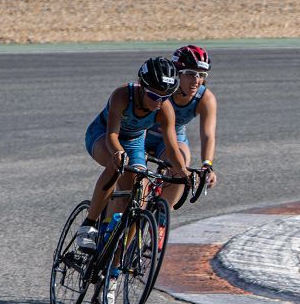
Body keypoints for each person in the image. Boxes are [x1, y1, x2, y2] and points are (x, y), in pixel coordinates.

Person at [75, 57, 188, 252]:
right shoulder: (122, 95)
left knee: (139, 197)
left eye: (165, 97)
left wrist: (184, 172)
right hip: (103, 135)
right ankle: (89, 224)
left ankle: (113, 268)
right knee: (116, 164)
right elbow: (112, 134)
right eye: (154, 96)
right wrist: (118, 152)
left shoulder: (164, 108)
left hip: (135, 142)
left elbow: (171, 148)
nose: (159, 102)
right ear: (142, 87)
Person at [144, 45, 219, 210]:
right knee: (135, 177)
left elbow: (208, 135)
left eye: (201, 75)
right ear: (177, 74)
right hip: (143, 134)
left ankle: (160, 218)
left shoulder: (205, 99)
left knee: (181, 165)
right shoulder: (162, 89)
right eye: (190, 74)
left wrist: (207, 164)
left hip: (173, 138)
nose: (196, 81)